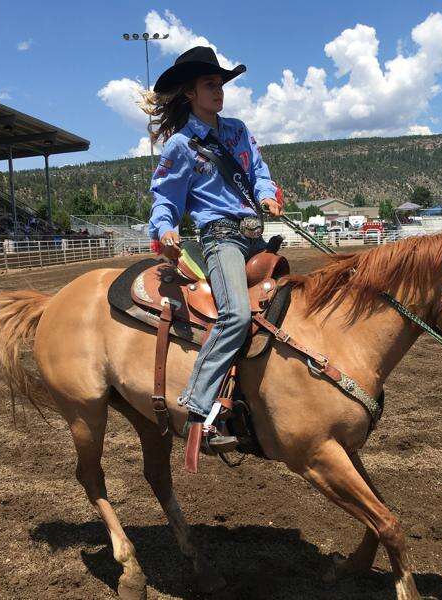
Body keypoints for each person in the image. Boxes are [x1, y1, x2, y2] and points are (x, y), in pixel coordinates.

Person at [143, 46, 283, 450]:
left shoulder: (238, 130)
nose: (218, 90)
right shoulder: (180, 146)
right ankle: (198, 407)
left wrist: (267, 195)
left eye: (220, 83)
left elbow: (259, 172)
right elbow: (165, 198)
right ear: (190, 92)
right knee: (236, 315)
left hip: (257, 235)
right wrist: (166, 228)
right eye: (209, 84)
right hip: (221, 239)